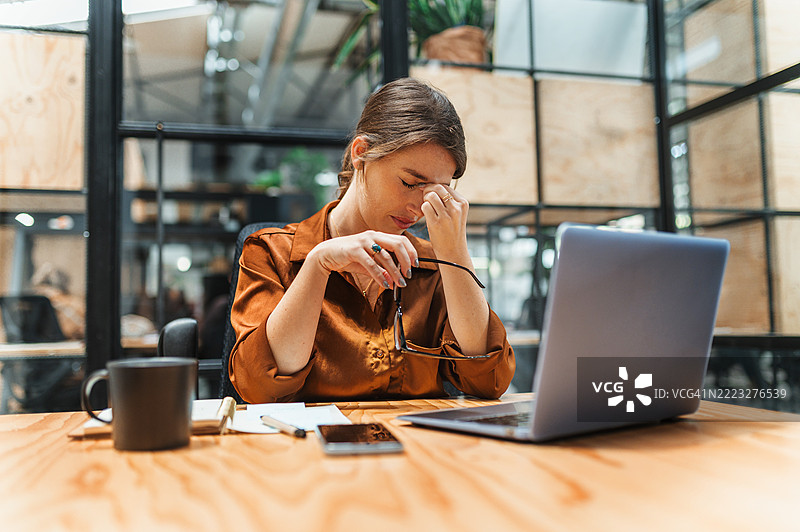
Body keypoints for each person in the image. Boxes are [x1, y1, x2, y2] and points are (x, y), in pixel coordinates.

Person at [229, 77, 515, 403]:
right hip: (308, 451)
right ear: (361, 153)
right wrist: (318, 265)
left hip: (420, 449)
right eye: (409, 183)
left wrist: (455, 254)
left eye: (437, 192)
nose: (419, 208)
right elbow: (259, 388)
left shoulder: (434, 266)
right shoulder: (271, 252)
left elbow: (488, 381)